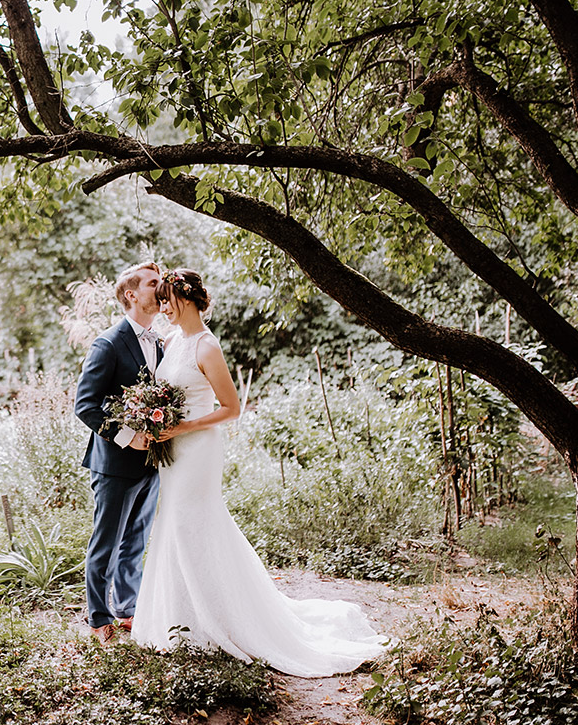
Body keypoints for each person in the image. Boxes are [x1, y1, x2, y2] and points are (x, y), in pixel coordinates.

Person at [131, 268, 390, 677]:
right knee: (175, 524)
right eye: (160, 301)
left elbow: (230, 408)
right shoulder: (172, 340)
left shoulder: (205, 345)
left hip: (198, 448)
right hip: (173, 450)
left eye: (168, 300)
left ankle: (217, 620)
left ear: (187, 298)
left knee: (191, 521)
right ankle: (181, 620)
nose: (163, 308)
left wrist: (183, 425)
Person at [74, 261, 165, 645]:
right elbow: (85, 405)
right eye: (153, 284)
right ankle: (98, 616)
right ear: (132, 294)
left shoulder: (161, 342)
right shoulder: (108, 343)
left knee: (136, 542)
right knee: (107, 543)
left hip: (152, 463)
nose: (161, 290)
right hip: (114, 463)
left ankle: (128, 608)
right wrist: (128, 436)